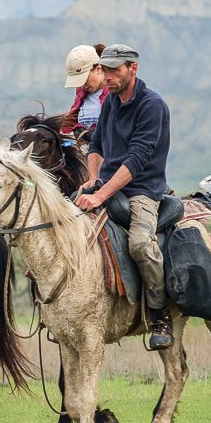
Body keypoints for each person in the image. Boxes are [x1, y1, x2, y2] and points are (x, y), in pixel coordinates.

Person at [74, 44, 174, 350]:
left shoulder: (151, 105)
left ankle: (160, 316)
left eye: (115, 69)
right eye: (104, 69)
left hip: (143, 190)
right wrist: (92, 181)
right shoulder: (111, 104)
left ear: (133, 68)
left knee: (141, 244)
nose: (107, 77)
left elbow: (137, 160)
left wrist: (99, 194)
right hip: (107, 184)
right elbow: (95, 145)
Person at [61, 43, 109, 138]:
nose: (82, 86)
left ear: (98, 69)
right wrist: (76, 129)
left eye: (84, 79)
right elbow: (69, 124)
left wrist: (96, 135)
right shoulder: (81, 93)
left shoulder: (116, 94)